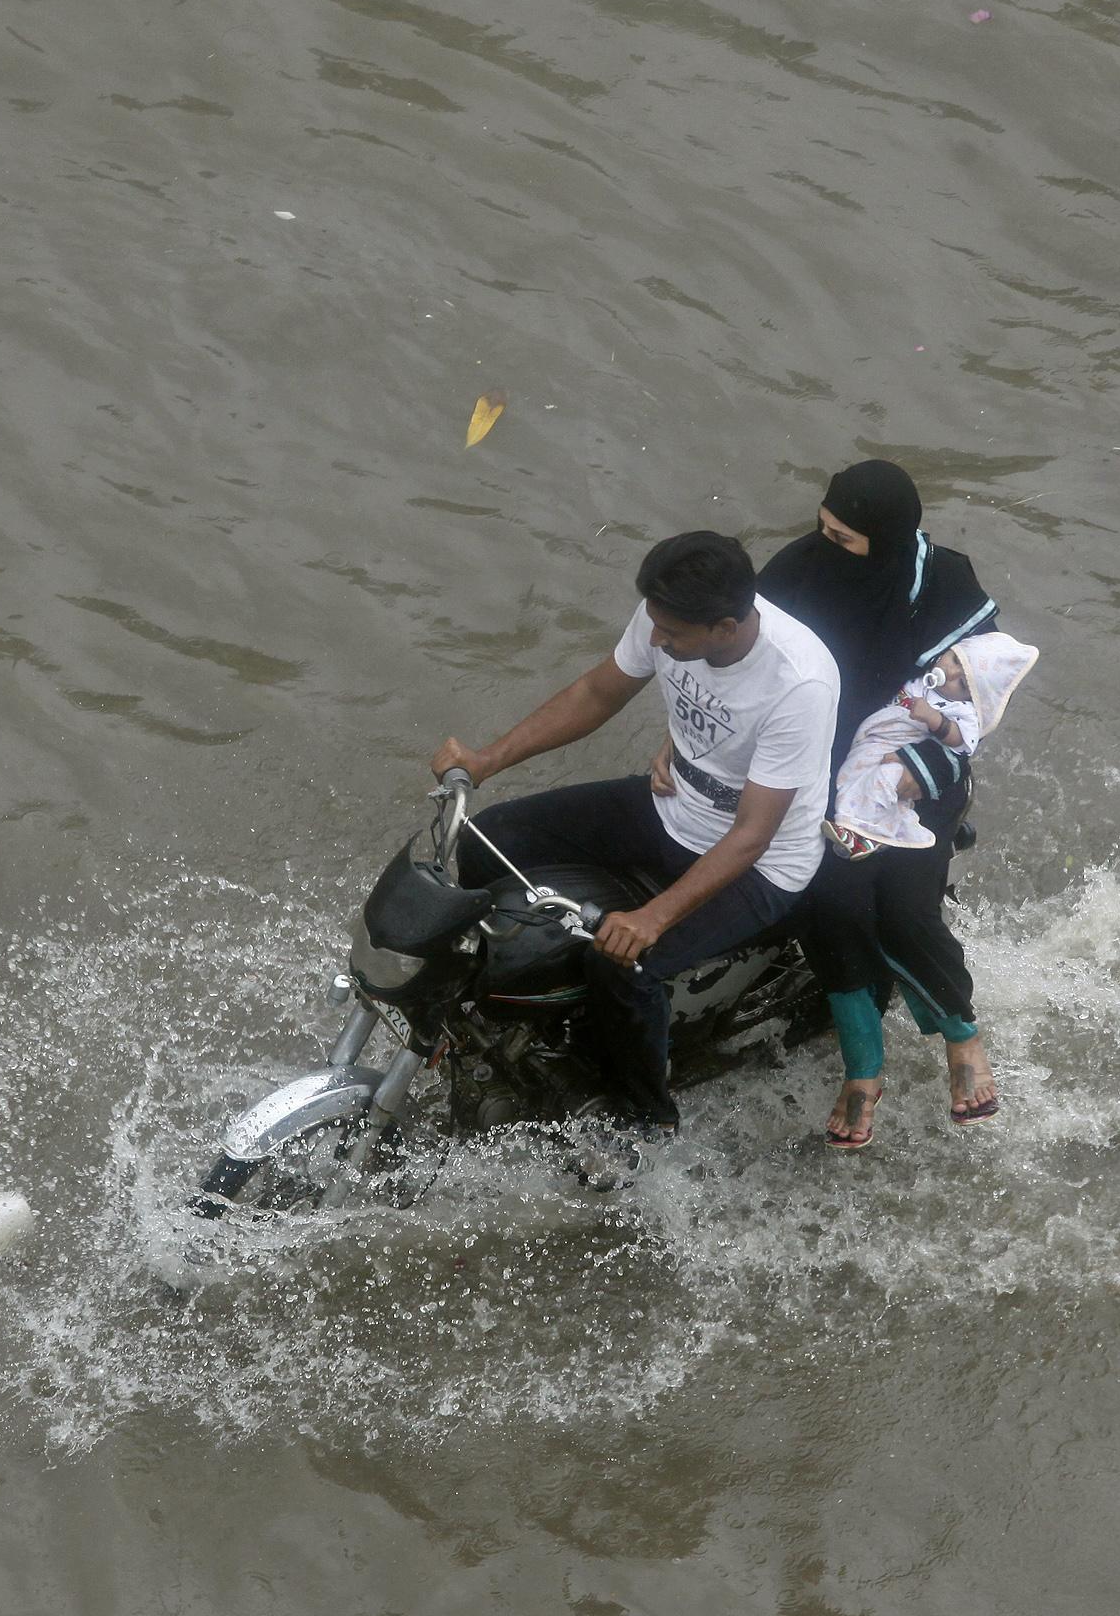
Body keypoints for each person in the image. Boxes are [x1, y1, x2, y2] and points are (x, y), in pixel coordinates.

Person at [430, 530, 839, 1153]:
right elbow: (599, 692)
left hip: (761, 861)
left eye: (671, 635)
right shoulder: (668, 612)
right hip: (671, 803)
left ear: (724, 628)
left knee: (624, 961)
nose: (656, 641)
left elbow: (754, 836)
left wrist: (652, 918)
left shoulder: (798, 684)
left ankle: (647, 1118)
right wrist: (488, 759)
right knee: (492, 837)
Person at [755, 458, 1008, 1147]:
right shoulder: (793, 573)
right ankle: (864, 1068)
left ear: (888, 541)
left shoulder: (947, 588)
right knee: (830, 903)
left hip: (919, 769)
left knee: (899, 908)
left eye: (844, 539)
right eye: (822, 527)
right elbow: (738, 667)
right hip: (818, 772)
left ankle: (962, 1037)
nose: (824, 546)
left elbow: (976, 706)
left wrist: (911, 771)